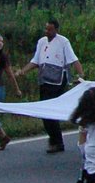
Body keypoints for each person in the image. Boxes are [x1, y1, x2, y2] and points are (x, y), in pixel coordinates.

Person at [21, 20, 83, 153]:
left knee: (51, 110)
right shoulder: (42, 42)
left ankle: (57, 141)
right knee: (45, 111)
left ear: (56, 30)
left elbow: (73, 59)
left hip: (58, 80)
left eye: (50, 30)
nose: (47, 32)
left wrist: (81, 75)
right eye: (46, 29)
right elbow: (36, 60)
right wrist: (23, 71)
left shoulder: (63, 42)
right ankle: (53, 138)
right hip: (45, 79)